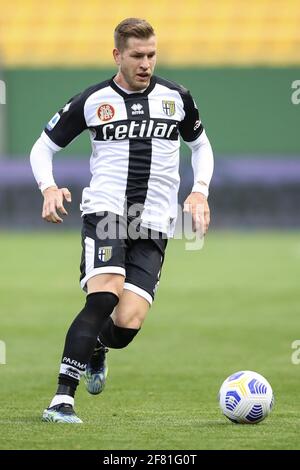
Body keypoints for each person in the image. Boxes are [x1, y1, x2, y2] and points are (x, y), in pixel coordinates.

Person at [30, 17, 214, 423]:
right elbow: (43, 148)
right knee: (105, 295)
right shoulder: (93, 100)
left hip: (155, 222)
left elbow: (201, 146)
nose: (146, 63)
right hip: (108, 212)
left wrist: (199, 189)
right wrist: (48, 187)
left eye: (151, 54)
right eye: (137, 56)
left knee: (126, 324)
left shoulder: (177, 97)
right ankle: (62, 399)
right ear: (118, 55)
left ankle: (99, 345)